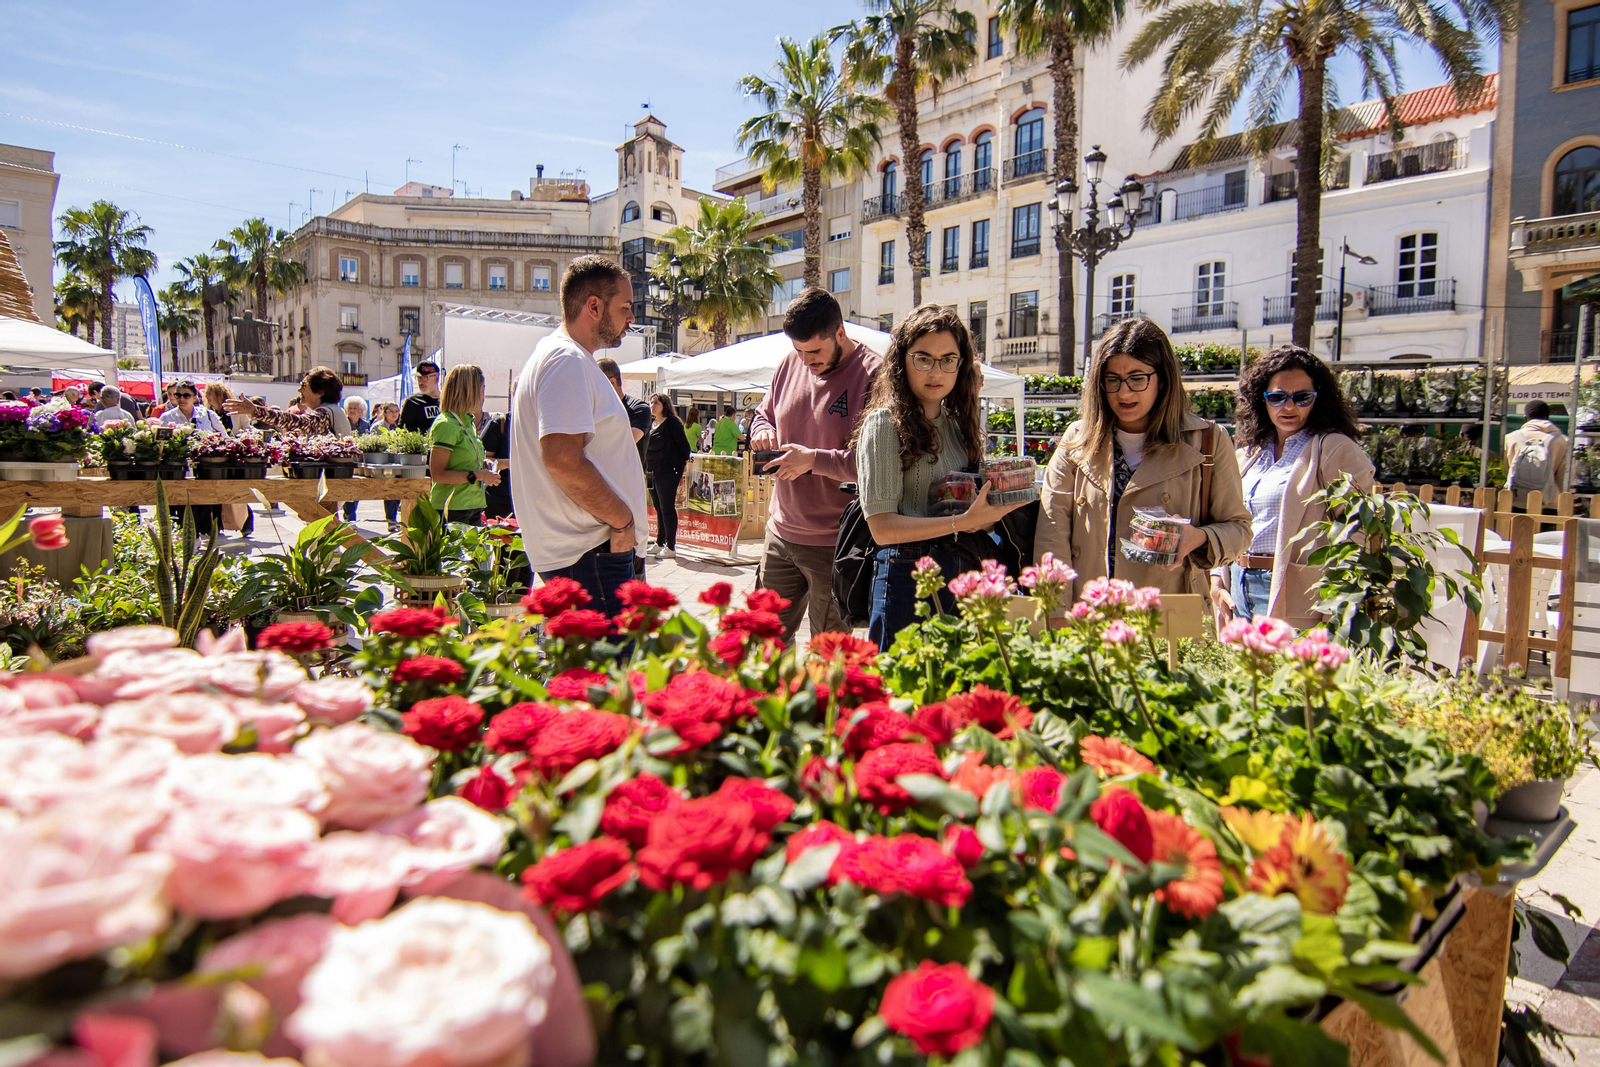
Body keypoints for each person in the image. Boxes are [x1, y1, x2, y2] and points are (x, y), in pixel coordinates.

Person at [1036, 318, 1251, 608]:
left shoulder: (1207, 441)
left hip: (1165, 616)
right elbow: (1052, 536)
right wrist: (1057, 614)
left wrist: (1198, 537)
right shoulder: (1078, 440)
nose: (1124, 393)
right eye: (1112, 380)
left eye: (1137, 378)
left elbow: (1239, 529)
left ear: (1162, 379)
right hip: (1088, 617)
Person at [855, 304, 1026, 649]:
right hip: (906, 574)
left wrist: (992, 512)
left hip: (961, 567)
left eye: (948, 359)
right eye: (924, 358)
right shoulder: (883, 424)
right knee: (903, 692)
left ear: (961, 365)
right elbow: (882, 528)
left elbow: (967, 509)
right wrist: (964, 521)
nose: (936, 371)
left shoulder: (957, 425)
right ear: (903, 361)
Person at [509, 255, 647, 617]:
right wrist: (623, 522)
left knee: (595, 670)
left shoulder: (565, 358)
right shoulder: (565, 360)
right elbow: (561, 457)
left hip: (591, 553)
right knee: (608, 671)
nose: (630, 318)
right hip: (592, 555)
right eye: (625, 307)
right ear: (594, 306)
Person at [748, 287, 882, 639]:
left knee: (830, 656)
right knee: (762, 646)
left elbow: (877, 462)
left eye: (815, 351)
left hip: (835, 544)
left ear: (840, 332)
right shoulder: (790, 363)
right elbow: (763, 414)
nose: (806, 361)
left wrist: (812, 460)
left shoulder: (875, 374)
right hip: (780, 534)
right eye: (799, 351)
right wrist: (762, 430)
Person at [1211, 344, 1373, 627]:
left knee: (1293, 672)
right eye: (1277, 397)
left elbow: (1359, 534)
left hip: (1296, 591)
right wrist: (1216, 579)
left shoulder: (1333, 449)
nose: (1288, 407)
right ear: (1261, 400)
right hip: (1238, 586)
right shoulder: (1250, 454)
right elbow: (1226, 520)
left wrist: (1337, 603)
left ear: (1319, 400)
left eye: (1302, 397)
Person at [425, 364, 498, 526]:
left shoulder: (467, 421)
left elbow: (461, 462)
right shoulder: (447, 424)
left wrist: (483, 466)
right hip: (452, 509)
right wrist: (479, 475)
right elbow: (438, 474)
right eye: (482, 388)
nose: (484, 395)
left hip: (472, 504)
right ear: (469, 391)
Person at [225, 367, 353, 436]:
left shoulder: (325, 414)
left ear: (320, 392)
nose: (299, 390)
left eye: (304, 386)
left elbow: (296, 421)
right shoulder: (332, 411)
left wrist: (256, 411)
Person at [645, 392, 692, 558]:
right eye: (651, 402)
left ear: (664, 405)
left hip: (668, 470)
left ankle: (670, 546)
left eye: (656, 403)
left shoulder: (672, 422)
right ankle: (660, 541)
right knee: (658, 507)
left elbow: (684, 446)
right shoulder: (652, 423)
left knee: (666, 508)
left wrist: (682, 463)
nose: (652, 405)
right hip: (652, 470)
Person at [1505, 400, 1569, 511]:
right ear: (1547, 416)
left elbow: (1506, 470)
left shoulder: (1510, 438)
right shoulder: (1563, 440)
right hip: (1549, 501)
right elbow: (1565, 475)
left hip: (1516, 500)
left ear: (1525, 418)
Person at [479, 410, 514, 522]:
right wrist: (511, 463)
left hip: (531, 501)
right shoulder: (501, 423)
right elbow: (481, 460)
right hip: (499, 502)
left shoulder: (541, 425)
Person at [158, 379, 226, 432]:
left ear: (195, 397)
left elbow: (224, 438)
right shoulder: (166, 418)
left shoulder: (209, 415)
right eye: (178, 395)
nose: (181, 399)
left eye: (186, 396)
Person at [400, 360, 442, 434]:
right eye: (419, 378)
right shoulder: (412, 402)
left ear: (437, 377)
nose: (421, 382)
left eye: (425, 377)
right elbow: (402, 431)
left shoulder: (448, 400)